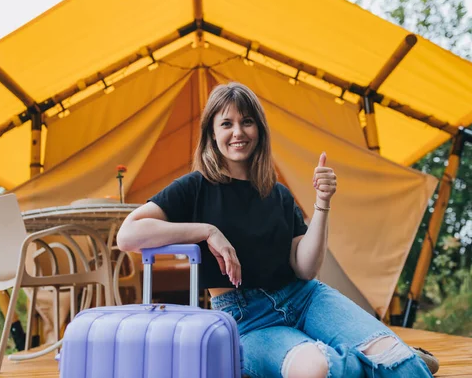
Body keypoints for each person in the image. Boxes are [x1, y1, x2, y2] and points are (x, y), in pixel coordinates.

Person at [116, 82, 434, 377]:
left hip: (306, 298)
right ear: (212, 133)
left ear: (260, 130)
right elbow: (128, 235)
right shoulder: (195, 188)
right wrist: (206, 231)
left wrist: (323, 203)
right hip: (248, 322)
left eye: (247, 122)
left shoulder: (278, 193)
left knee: (399, 364)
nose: (238, 132)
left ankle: (396, 358)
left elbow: (305, 268)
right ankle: (394, 358)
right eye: (226, 124)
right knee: (316, 369)